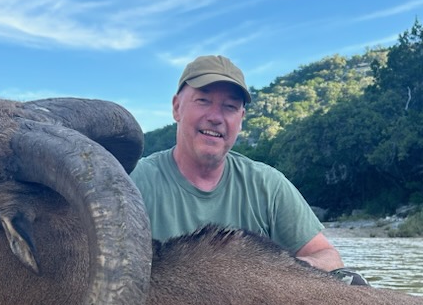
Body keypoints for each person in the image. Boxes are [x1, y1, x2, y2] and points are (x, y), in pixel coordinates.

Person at [130, 55, 363, 279]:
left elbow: (327, 255)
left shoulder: (268, 185)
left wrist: (287, 272)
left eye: (229, 107)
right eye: (203, 100)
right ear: (176, 107)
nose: (215, 117)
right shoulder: (133, 183)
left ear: (241, 119)